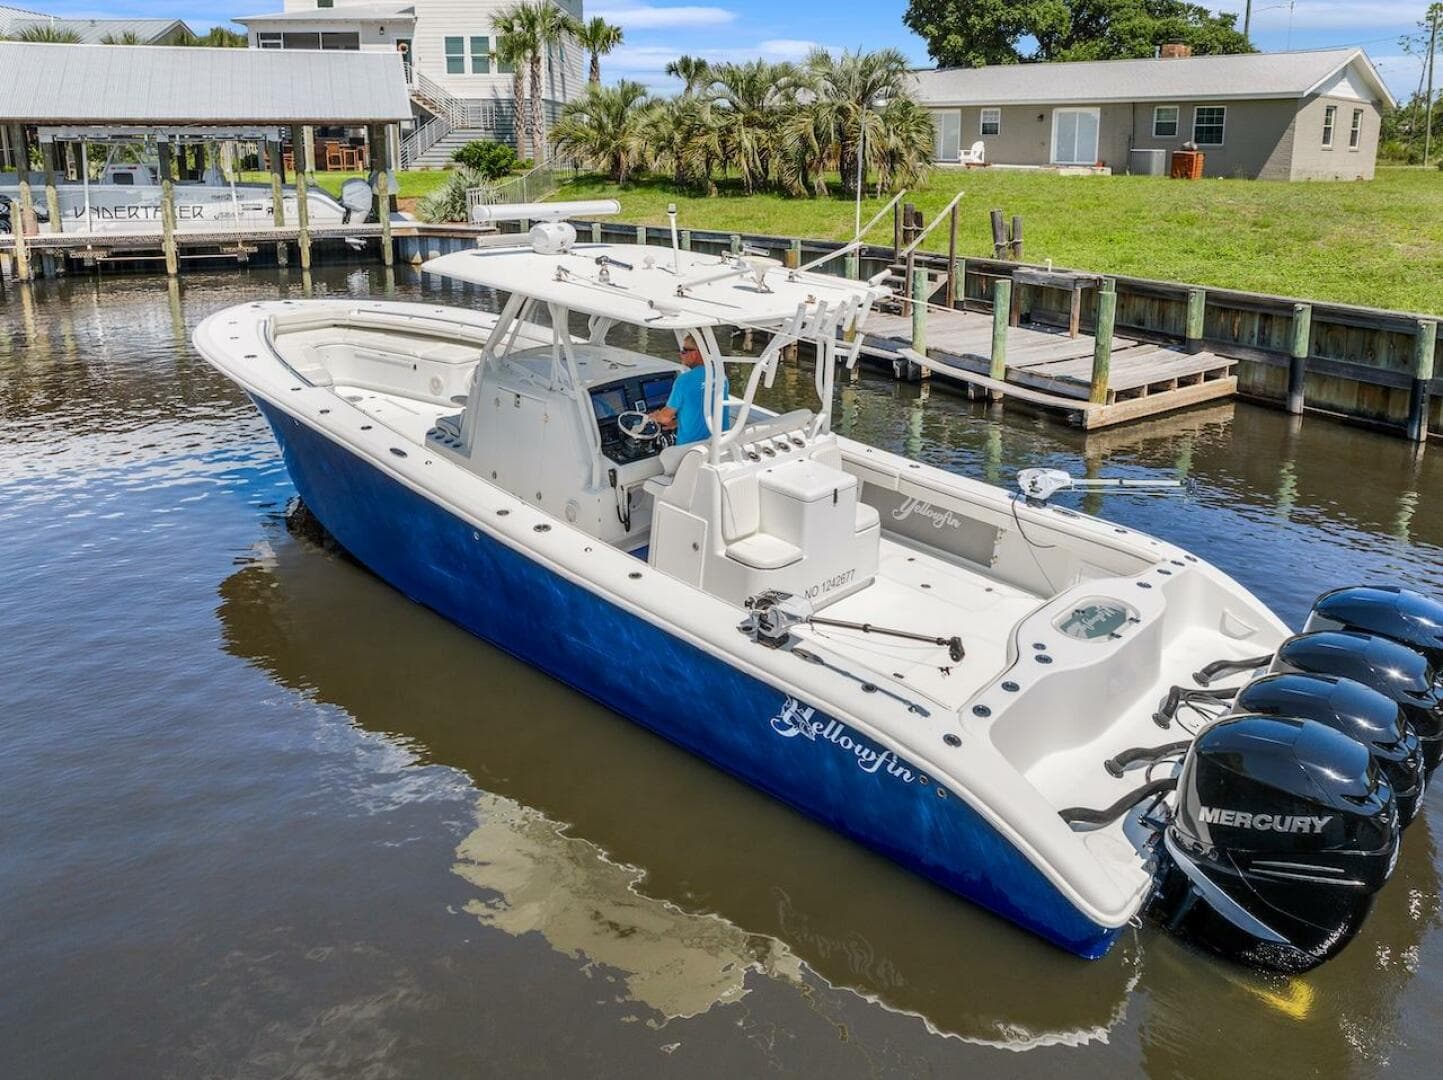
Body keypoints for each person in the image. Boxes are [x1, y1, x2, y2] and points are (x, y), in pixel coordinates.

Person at [648, 335, 729, 445]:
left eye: (684, 350)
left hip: (690, 448)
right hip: (719, 443)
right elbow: (706, 411)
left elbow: (665, 418)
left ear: (695, 353)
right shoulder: (721, 375)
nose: (680, 354)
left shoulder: (684, 380)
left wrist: (654, 416)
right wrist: (677, 422)